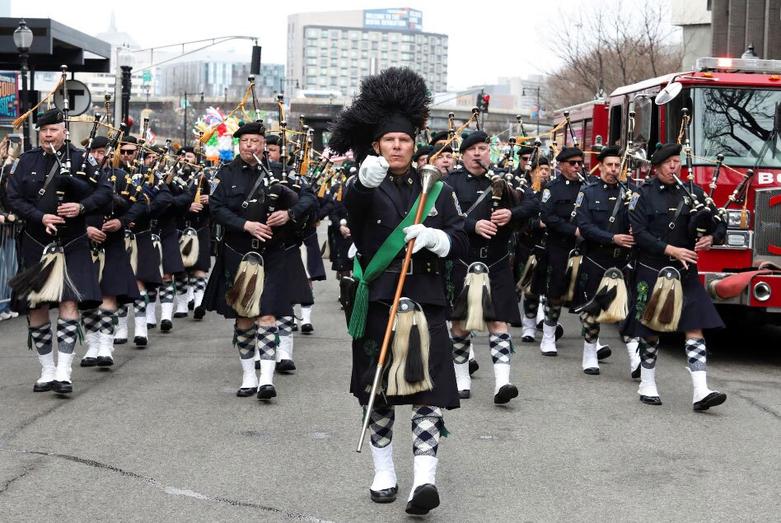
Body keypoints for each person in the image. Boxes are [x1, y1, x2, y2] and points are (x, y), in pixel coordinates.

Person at [330, 67, 468, 515]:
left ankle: (424, 481)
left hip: (426, 299)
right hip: (380, 300)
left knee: (427, 393)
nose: (396, 146)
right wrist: (361, 182)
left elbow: (461, 239)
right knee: (379, 392)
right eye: (388, 140)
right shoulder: (364, 184)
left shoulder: (438, 190)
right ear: (376, 145)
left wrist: (436, 239)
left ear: (414, 145)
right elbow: (351, 205)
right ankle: (384, 470)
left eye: (403, 140)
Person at [6, 109, 111, 394]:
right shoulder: (26, 161)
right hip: (35, 241)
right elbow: (11, 197)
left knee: (69, 302)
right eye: (44, 131)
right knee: (36, 306)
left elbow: (105, 192)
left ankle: (64, 370)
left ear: (64, 131)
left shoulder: (81, 159)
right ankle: (47, 369)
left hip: (72, 241)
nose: (48, 135)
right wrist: (39, 217)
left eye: (53, 130)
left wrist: (81, 207)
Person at [623, 143, 727, 410]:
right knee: (650, 330)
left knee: (694, 327)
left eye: (677, 161)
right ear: (655, 167)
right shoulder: (642, 194)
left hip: (685, 271)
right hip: (652, 268)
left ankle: (701, 390)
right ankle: (647, 382)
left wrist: (711, 238)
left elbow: (720, 220)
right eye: (668, 162)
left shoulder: (693, 192)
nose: (674, 166)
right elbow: (639, 232)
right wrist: (670, 249)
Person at [203, 121, 298, 401]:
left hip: (272, 254)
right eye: (245, 141)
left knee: (267, 315)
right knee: (244, 318)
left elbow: (308, 202)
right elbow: (216, 209)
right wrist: (245, 225)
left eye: (255, 141)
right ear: (239, 144)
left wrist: (288, 215)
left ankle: (266, 380)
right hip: (238, 253)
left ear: (263, 144)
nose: (250, 146)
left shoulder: (279, 172)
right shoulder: (225, 173)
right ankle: (248, 375)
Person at [447, 131, 537, 402]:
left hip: (496, 263)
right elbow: (437, 219)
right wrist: (471, 225)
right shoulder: (449, 183)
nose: (477, 153)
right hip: (463, 260)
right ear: (462, 155)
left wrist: (512, 213)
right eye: (472, 149)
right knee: (461, 325)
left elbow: (533, 204)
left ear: (490, 152)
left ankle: (502, 383)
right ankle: (461, 378)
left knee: (499, 322)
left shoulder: (505, 181)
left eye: (483, 148)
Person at [571, 146, 641, 376]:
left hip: (623, 262)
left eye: (617, 165)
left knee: (626, 309)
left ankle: (635, 358)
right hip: (596, 259)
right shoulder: (589, 192)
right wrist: (613, 238)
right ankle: (590, 353)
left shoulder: (632, 191)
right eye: (609, 165)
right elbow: (585, 227)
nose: (613, 169)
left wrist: (635, 228)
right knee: (594, 309)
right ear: (600, 166)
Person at [80, 135, 144, 367]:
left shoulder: (122, 177)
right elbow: (64, 208)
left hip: (112, 241)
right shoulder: (78, 177)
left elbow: (140, 204)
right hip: (83, 242)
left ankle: (106, 346)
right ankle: (92, 344)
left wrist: (122, 222)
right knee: (87, 298)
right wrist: (85, 229)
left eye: (102, 153)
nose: (98, 157)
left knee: (108, 294)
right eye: (94, 152)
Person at [538, 146, 587, 356]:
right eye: (572, 163)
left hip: (585, 247)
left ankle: (592, 341)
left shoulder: (589, 186)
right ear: (561, 165)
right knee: (555, 293)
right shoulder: (552, 188)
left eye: (579, 163)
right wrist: (573, 230)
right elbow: (548, 216)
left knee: (588, 293)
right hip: (559, 246)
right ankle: (548, 337)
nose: (577, 167)